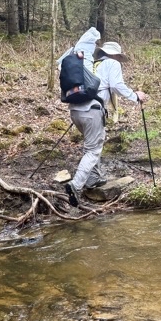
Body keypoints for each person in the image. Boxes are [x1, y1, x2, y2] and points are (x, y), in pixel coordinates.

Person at [63, 40, 148, 207]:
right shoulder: (112, 63)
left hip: (75, 110)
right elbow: (117, 85)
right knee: (93, 150)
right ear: (115, 54)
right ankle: (76, 185)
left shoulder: (89, 64)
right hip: (92, 111)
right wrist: (136, 96)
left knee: (92, 144)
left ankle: (93, 179)